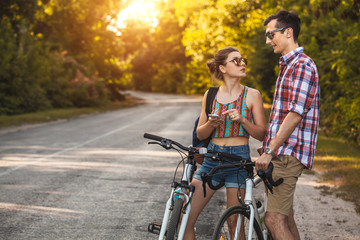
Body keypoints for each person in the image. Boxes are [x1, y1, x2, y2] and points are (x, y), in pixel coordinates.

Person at [183, 46, 267, 239]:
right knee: (184, 217)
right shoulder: (210, 94)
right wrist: (212, 124)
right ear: (222, 68)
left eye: (243, 59)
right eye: (236, 60)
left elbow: (262, 134)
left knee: (235, 227)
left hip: (238, 160)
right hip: (211, 158)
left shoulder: (253, 95)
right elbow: (200, 132)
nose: (243, 63)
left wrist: (243, 120)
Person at [255, 10, 320, 240]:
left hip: (287, 154)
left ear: (288, 32)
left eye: (270, 34)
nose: (267, 40)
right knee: (286, 216)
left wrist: (270, 150)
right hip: (280, 153)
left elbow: (294, 114)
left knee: (273, 219)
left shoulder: (302, 65)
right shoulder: (288, 65)